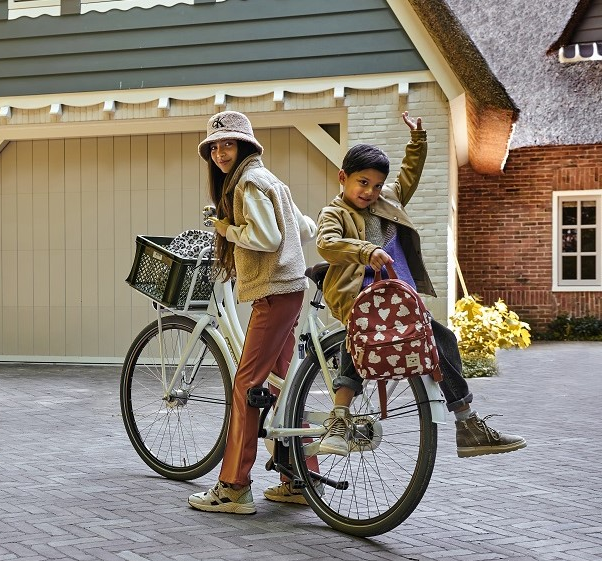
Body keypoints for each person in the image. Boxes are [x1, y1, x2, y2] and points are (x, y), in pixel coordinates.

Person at [310, 111, 526, 468]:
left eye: (377, 185)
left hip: (399, 297)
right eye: (362, 183)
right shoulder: (334, 212)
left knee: (443, 341)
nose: (370, 192)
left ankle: (466, 422)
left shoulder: (389, 201)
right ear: (343, 177)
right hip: (360, 298)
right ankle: (338, 419)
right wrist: (366, 250)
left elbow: (409, 175)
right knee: (357, 345)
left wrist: (419, 139)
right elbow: (327, 243)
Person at [187, 111, 317, 514]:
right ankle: (300, 479)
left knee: (246, 387)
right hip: (291, 290)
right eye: (214, 147)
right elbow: (305, 227)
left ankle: (233, 487)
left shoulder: (247, 184)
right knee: (282, 384)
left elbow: (266, 236)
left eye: (228, 144)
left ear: (245, 145)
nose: (221, 153)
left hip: (274, 293)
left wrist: (226, 230)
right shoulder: (269, 179)